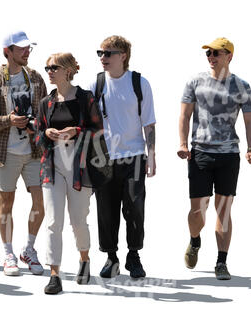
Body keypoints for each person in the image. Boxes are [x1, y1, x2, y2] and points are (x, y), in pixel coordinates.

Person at [178, 37, 251, 280]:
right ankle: (194, 240)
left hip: (229, 155)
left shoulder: (242, 86)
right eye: (208, 54)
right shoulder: (195, 82)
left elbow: (250, 120)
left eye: (217, 53)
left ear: (229, 56)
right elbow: (184, 115)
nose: (211, 57)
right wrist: (182, 143)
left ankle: (221, 262)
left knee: (223, 210)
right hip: (200, 153)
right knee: (197, 212)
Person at [0, 31, 48, 276]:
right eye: (22, 48)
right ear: (7, 51)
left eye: (29, 48)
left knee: (40, 203)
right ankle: (8, 253)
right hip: (6, 152)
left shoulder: (35, 78)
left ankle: (29, 249)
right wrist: (9, 120)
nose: (27, 52)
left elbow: (47, 113)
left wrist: (34, 125)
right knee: (6, 203)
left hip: (34, 151)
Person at [88, 35, 156, 279]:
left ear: (123, 55)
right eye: (100, 53)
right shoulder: (95, 84)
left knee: (135, 207)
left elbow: (148, 122)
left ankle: (133, 255)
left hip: (134, 155)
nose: (102, 58)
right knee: (106, 210)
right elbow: (87, 124)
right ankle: (111, 257)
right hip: (103, 158)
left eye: (108, 53)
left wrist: (152, 154)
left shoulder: (139, 83)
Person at [35, 53, 104, 294]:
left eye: (54, 67)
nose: (49, 71)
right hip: (52, 168)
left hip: (80, 168)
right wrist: (46, 134)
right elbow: (37, 133)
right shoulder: (46, 102)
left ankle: (84, 259)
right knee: (54, 222)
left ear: (68, 70)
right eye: (47, 68)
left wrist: (76, 130)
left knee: (78, 221)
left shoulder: (85, 98)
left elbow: (99, 130)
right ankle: (54, 273)